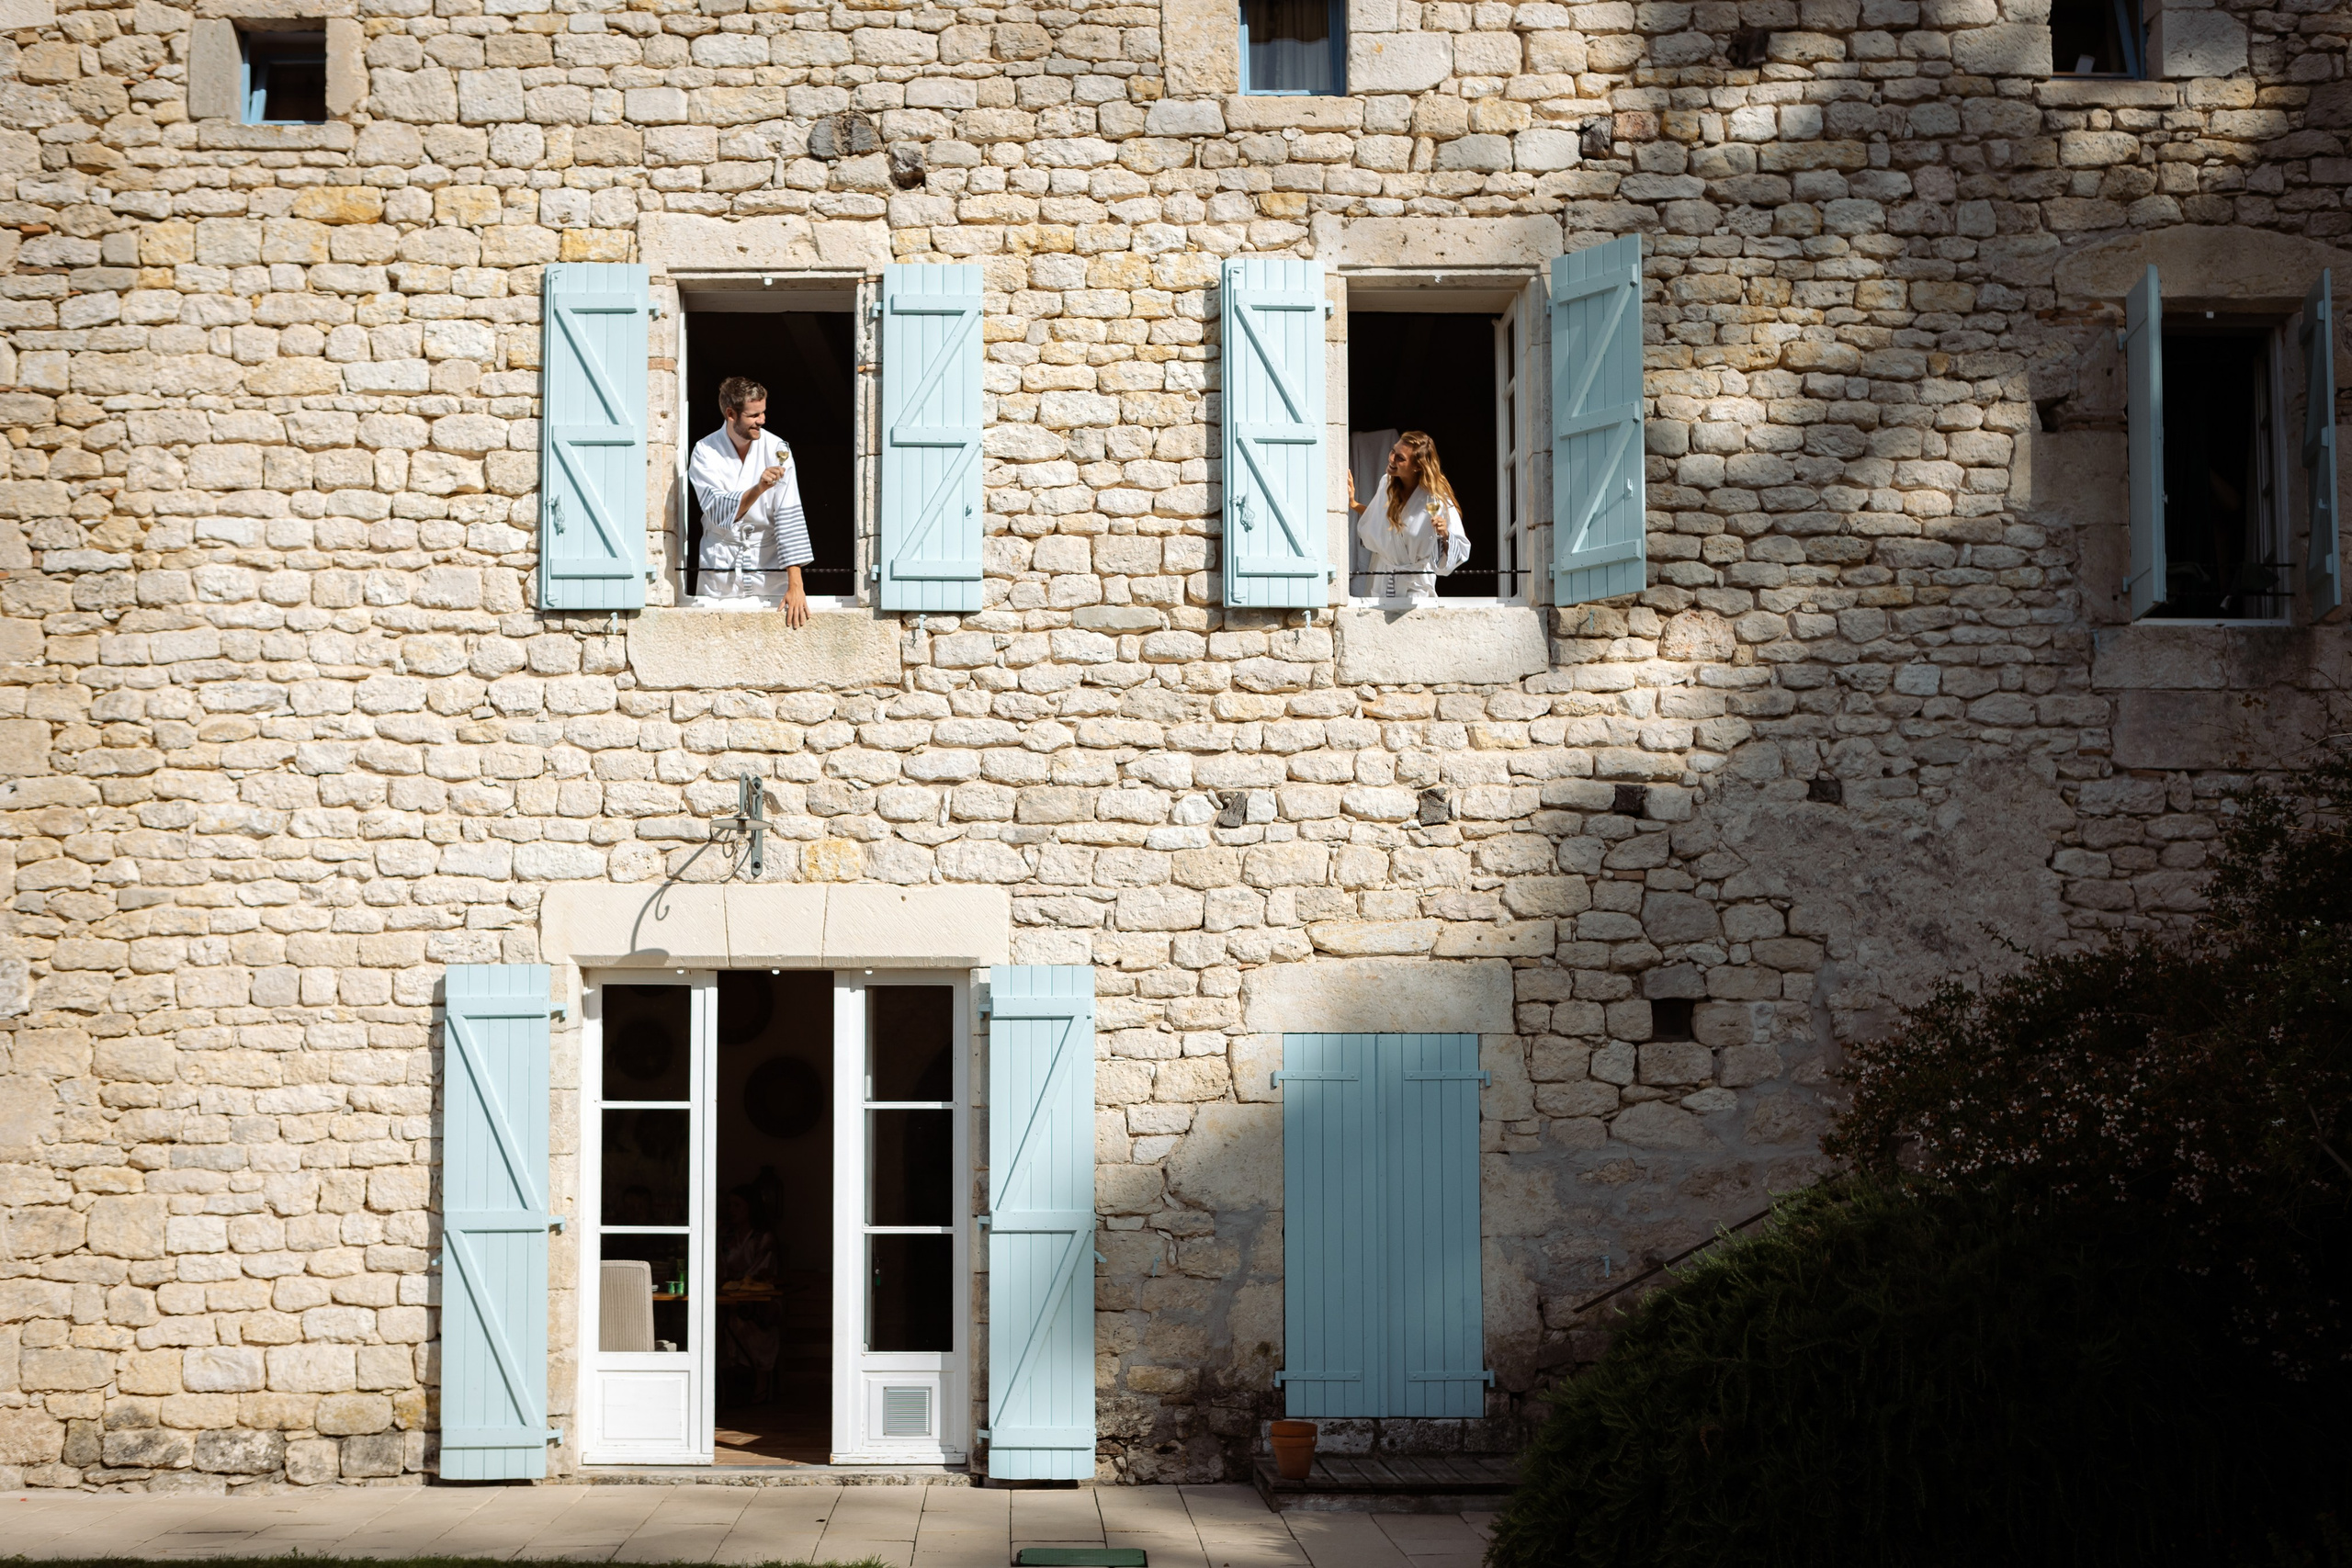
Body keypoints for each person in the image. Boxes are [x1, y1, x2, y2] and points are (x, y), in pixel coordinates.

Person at [688, 376, 812, 626]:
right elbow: (716, 509)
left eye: (763, 413)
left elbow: (788, 513)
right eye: (754, 415)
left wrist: (796, 585)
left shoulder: (777, 448)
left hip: (767, 561)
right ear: (731, 414)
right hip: (720, 558)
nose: (762, 420)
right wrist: (759, 488)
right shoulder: (705, 451)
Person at [1346, 430, 1471, 605]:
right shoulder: (1387, 483)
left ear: (1417, 466)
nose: (1391, 459)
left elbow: (1460, 550)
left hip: (1416, 589)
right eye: (1392, 452)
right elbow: (1377, 519)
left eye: (1400, 458)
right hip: (1382, 581)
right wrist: (1353, 503)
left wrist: (1445, 534)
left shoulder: (1435, 498)